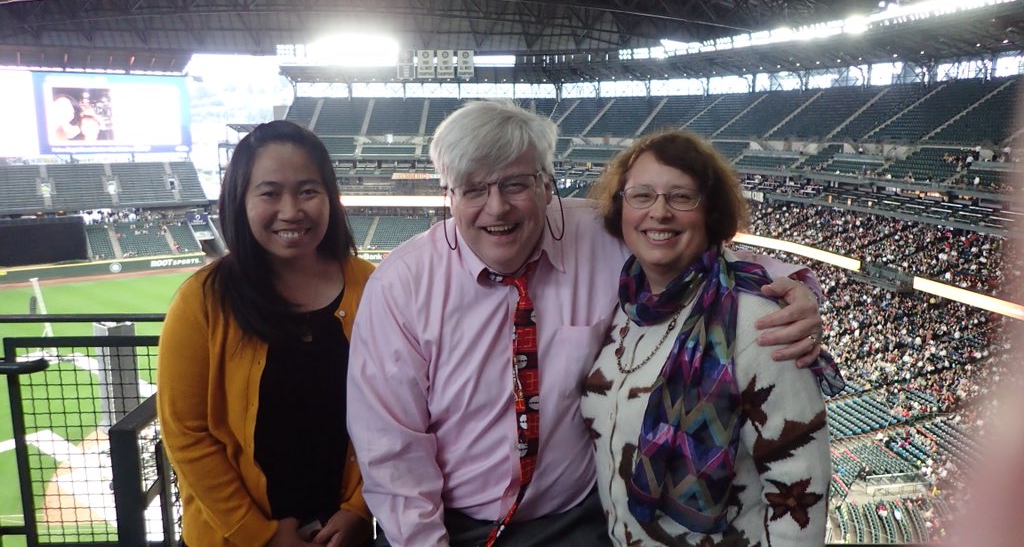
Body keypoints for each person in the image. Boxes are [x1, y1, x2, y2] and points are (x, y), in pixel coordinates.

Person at [347, 100, 829, 547]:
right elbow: (392, 449)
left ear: (546, 182)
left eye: (515, 184)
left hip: (576, 523)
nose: (497, 208)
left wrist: (791, 284)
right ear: (447, 194)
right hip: (450, 527)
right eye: (473, 188)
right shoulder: (400, 286)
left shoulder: (598, 234)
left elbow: (694, 251)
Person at [581, 130, 832, 545]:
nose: (659, 212)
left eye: (682, 197)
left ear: (710, 212)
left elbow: (800, 495)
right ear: (620, 207)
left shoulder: (758, 324)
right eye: (641, 195)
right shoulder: (623, 306)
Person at [157, 120, 373, 547]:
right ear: (241, 200)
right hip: (232, 537)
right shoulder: (202, 300)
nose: (291, 210)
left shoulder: (375, 287)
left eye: (308, 190)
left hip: (343, 534)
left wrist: (360, 510)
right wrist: (261, 536)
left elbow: (405, 414)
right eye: (270, 192)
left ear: (331, 197)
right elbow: (187, 434)